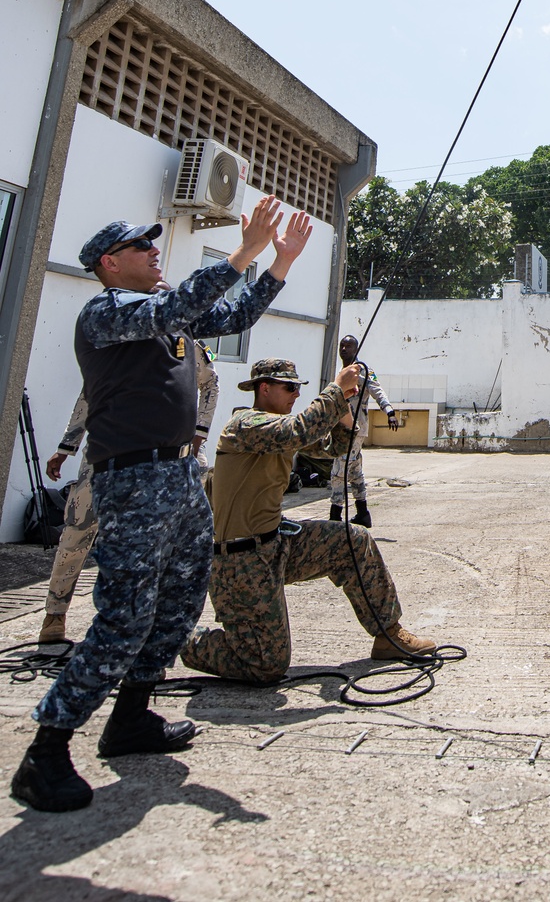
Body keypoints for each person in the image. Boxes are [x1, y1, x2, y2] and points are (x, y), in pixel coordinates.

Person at [11, 197, 311, 814]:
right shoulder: (106, 313)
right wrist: (246, 249)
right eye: (140, 245)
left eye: (154, 243)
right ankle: (45, 754)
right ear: (108, 265)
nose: (154, 250)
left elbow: (230, 315)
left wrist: (278, 264)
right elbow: (180, 306)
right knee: (124, 617)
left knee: (179, 603)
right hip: (134, 479)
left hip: (178, 474)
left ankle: (131, 720)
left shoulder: (160, 318)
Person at [180, 357, 435, 683]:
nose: (295, 394)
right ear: (264, 388)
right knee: (265, 666)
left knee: (352, 540)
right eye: (289, 387)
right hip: (241, 564)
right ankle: (176, 638)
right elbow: (298, 431)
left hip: (276, 545)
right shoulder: (245, 426)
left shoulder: (283, 428)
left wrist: (344, 415)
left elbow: (330, 448)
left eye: (298, 388)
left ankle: (388, 634)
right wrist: (335, 390)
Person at [39, 338, 219, 645]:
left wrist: (198, 435)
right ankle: (55, 614)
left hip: (158, 463)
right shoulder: (114, 342)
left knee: (156, 547)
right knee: (76, 534)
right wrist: (66, 446)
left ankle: (145, 627)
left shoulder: (181, 344)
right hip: (105, 454)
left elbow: (210, 384)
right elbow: (89, 395)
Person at [328, 333, 398, 527]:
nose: (344, 350)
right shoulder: (342, 372)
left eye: (348, 346)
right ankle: (362, 512)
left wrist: (389, 410)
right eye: (342, 346)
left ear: (356, 350)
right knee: (355, 470)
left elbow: (377, 390)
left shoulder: (362, 371)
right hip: (341, 428)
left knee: (339, 471)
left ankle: (335, 516)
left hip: (354, 429)